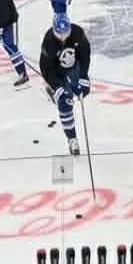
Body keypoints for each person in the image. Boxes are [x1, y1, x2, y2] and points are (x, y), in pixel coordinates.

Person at [39, 14, 92, 157]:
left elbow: (85, 55)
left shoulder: (78, 33)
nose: (62, 37)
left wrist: (83, 77)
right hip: (57, 73)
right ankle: (72, 139)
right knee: (65, 103)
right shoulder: (49, 40)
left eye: (65, 34)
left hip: (74, 68)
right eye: (59, 34)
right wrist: (56, 86)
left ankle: (71, 87)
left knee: (82, 91)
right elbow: (45, 67)